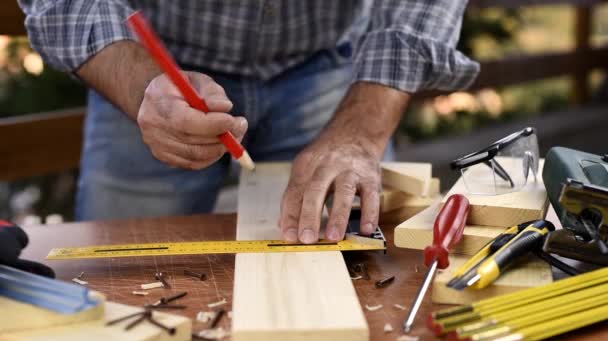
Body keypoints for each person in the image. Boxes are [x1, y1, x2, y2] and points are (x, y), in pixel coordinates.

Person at [19, 1, 478, 244]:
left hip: (325, 65)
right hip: (152, 77)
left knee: (356, 266)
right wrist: (143, 85)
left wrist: (359, 135)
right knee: (115, 282)